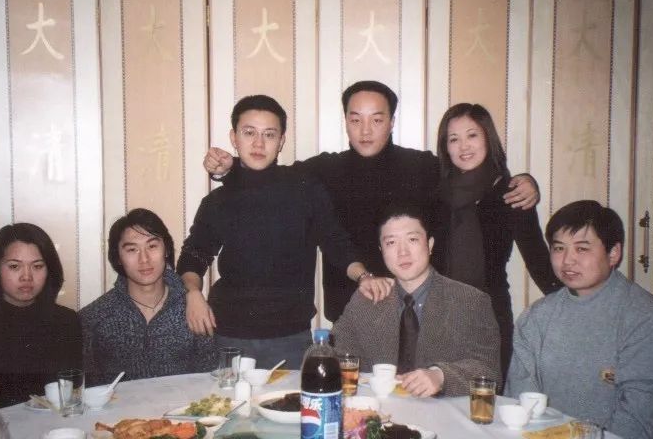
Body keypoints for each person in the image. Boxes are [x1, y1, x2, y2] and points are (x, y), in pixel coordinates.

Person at [203, 81, 540, 322]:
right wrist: (230, 169)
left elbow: (467, 174)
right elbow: (273, 179)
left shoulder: (421, 166)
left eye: (377, 120)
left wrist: (524, 182)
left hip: (414, 312)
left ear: (391, 123)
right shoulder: (325, 170)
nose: (365, 130)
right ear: (346, 123)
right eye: (356, 120)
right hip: (350, 311)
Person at [177, 95, 392, 368]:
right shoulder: (217, 201)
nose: (258, 144)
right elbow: (193, 256)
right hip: (228, 335)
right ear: (234, 138)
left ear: (281, 141)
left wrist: (364, 276)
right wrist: (192, 294)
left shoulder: (305, 189)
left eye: (269, 134)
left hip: (290, 337)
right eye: (249, 133)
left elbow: (335, 242)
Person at [505, 200, 653, 438]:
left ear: (613, 253)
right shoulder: (536, 317)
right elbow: (520, 401)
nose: (567, 260)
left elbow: (644, 419)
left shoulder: (649, 320)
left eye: (582, 249)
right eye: (559, 248)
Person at [434, 103, 562, 378]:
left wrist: (576, 301)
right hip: (437, 316)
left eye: (472, 135)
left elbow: (538, 260)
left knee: (487, 394)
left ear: (488, 138)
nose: (463, 146)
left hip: (489, 315)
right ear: (445, 147)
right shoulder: (434, 192)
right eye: (453, 139)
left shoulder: (511, 193)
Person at [331, 205, 501, 397]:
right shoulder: (368, 299)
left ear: (430, 245)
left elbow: (489, 370)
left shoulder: (470, 301)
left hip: (441, 413)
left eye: (412, 239)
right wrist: (318, 353)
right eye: (391, 243)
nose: (402, 252)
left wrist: (441, 376)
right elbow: (334, 352)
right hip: (379, 410)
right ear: (381, 250)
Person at [80, 208, 217, 385]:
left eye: (152, 246)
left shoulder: (195, 310)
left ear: (166, 250)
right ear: (118, 257)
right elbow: (87, 390)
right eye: (132, 250)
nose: (144, 259)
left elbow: (209, 381)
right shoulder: (94, 317)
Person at [0, 223, 82, 408]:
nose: (26, 277)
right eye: (14, 266)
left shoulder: (67, 322)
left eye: (37, 266)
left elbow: (75, 393)